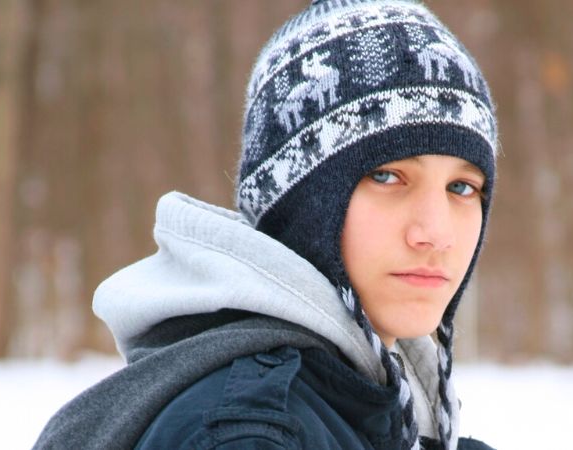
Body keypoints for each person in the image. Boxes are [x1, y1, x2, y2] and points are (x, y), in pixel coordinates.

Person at [34, 0, 498, 448]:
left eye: (461, 188)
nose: (436, 233)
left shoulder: (377, 412)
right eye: (387, 176)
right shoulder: (251, 435)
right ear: (303, 203)